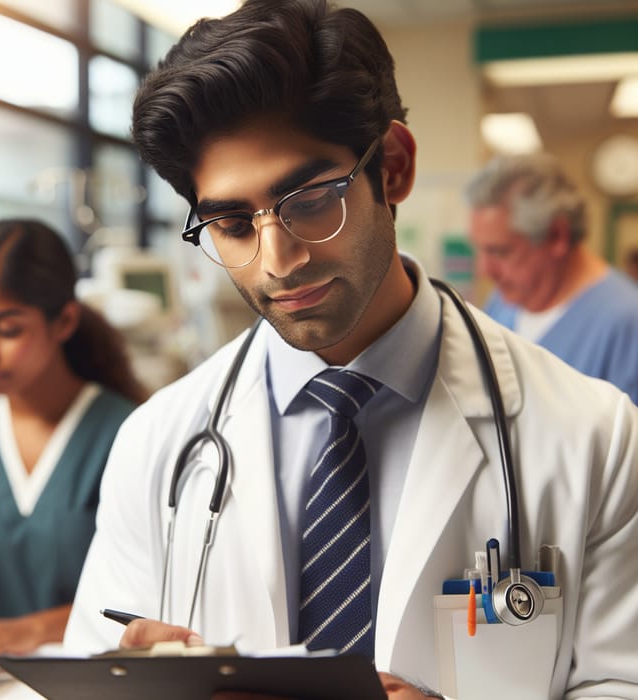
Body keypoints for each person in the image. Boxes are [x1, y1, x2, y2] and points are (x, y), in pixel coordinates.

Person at [64, 1, 638, 698]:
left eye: (309, 199)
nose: (277, 260)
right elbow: (97, 676)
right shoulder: (158, 443)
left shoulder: (594, 437)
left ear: (392, 169)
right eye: (232, 223)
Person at [0, 218, 148, 663]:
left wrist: (33, 629)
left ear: (64, 321)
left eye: (7, 329)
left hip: (107, 678)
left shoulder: (131, 435)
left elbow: (157, 598)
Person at [465, 152, 638, 404]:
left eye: (500, 252)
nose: (484, 271)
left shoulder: (626, 323)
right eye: (479, 250)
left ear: (557, 236)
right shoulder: (502, 303)